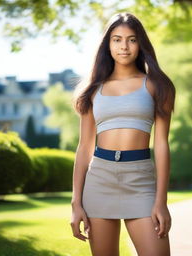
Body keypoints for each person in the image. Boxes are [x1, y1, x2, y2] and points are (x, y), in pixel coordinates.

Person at [70, 12, 176, 256]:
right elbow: (84, 148)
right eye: (117, 39)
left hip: (141, 181)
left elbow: (161, 145)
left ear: (141, 44)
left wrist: (161, 201)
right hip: (100, 181)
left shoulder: (158, 85)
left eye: (131, 39)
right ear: (108, 45)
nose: (124, 46)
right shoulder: (92, 90)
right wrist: (76, 203)